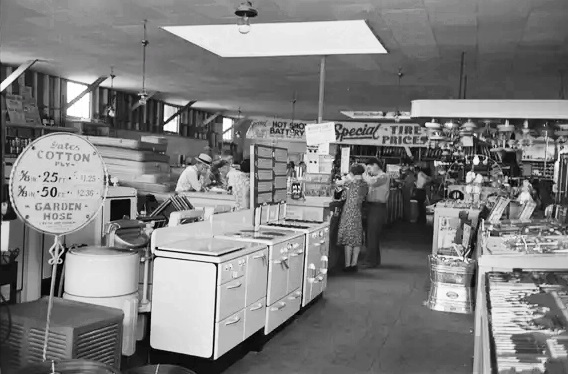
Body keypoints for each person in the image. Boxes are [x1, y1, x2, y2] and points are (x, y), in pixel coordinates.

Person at [337, 164, 369, 272]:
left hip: (349, 211)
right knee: (356, 238)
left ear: (352, 173)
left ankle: (347, 265)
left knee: (348, 239)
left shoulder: (350, 184)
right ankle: (354, 264)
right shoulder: (365, 185)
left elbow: (341, 194)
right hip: (358, 212)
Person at [362, 158, 390, 268]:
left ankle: (370, 261)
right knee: (370, 234)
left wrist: (364, 174)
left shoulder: (383, 176)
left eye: (369, 167)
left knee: (372, 234)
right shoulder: (375, 177)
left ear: (376, 166)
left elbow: (371, 182)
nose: (369, 170)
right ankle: (374, 259)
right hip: (371, 207)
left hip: (378, 208)